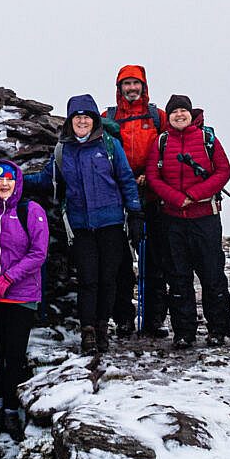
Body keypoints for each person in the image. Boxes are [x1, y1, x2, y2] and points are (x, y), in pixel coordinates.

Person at [25, 95, 142, 356]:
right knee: (88, 279)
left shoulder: (110, 146)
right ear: (70, 121)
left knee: (108, 279)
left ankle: (102, 328)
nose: (82, 121)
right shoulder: (63, 151)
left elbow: (125, 179)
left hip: (111, 223)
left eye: (86, 116)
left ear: (94, 120)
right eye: (77, 117)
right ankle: (88, 331)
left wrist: (135, 212)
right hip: (79, 226)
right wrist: (13, 179)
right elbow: (46, 179)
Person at [144, 95, 230, 348]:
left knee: (212, 275)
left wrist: (193, 195)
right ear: (168, 116)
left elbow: (223, 171)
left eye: (183, 110)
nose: (179, 115)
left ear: (191, 114)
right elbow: (153, 175)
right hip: (172, 220)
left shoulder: (208, 139)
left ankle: (218, 330)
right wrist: (176, 198)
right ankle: (184, 332)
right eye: (174, 112)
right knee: (178, 277)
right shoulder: (161, 142)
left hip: (205, 218)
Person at [0, 160, 49, 443]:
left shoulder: (30, 210)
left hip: (21, 296)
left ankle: (10, 408)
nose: (3, 184)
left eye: (8, 179)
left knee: (14, 356)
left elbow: (38, 253)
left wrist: (7, 279)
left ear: (17, 182)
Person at [102, 64, 169, 337]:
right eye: (126, 84)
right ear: (119, 88)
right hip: (117, 199)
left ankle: (154, 319)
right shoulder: (108, 117)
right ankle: (124, 319)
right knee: (119, 262)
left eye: (135, 84)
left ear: (144, 86)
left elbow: (170, 147)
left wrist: (151, 176)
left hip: (152, 197)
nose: (131, 88)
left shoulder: (157, 116)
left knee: (154, 261)